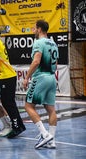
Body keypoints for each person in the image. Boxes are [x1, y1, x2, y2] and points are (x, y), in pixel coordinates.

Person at [23, 20, 58, 149]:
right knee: (51, 109)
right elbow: (56, 63)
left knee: (28, 106)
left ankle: (44, 134)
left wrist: (27, 77)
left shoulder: (38, 42)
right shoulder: (53, 43)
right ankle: (52, 140)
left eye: (35, 28)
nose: (33, 30)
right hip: (51, 77)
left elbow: (36, 61)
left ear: (39, 29)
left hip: (41, 77)